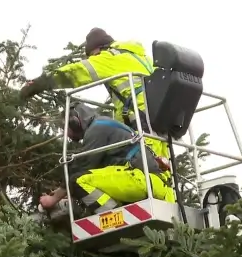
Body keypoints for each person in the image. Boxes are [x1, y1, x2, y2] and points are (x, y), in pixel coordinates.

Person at [20, 28, 170, 163]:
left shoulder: (109, 57)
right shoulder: (143, 58)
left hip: (141, 119)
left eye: (92, 56)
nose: (93, 59)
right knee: (162, 167)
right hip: (162, 119)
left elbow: (76, 72)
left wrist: (39, 83)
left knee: (148, 165)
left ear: (98, 49)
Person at [39, 102, 175, 215]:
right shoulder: (103, 124)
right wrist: (62, 192)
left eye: (65, 128)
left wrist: (53, 200)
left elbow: (83, 167)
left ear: (74, 122)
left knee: (77, 180)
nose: (66, 134)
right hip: (153, 183)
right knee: (85, 181)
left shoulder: (96, 129)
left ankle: (116, 215)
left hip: (140, 179)